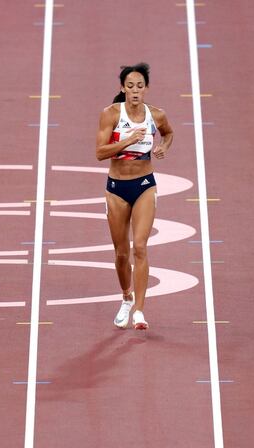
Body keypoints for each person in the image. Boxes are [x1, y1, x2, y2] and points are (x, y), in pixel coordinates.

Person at [95, 62, 173, 330]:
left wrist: (163, 146)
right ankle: (126, 297)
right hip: (117, 188)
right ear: (122, 88)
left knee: (140, 247)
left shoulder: (157, 115)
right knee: (121, 254)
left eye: (140, 86)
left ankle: (139, 309)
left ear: (147, 89)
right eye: (130, 86)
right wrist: (127, 141)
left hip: (144, 185)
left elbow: (169, 133)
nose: (135, 91)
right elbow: (100, 152)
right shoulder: (111, 115)